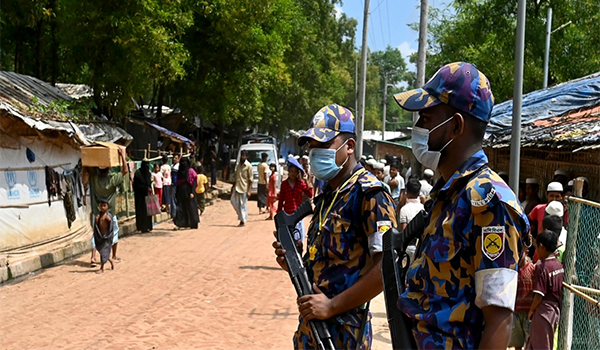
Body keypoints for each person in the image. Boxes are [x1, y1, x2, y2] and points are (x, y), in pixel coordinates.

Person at [393, 62, 530, 349]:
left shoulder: (490, 204)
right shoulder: (449, 194)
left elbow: (498, 321)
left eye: (426, 119)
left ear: (455, 126)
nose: (418, 128)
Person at [272, 104, 397, 349]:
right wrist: (294, 263)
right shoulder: (327, 194)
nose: (313, 152)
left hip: (345, 332)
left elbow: (386, 269)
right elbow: (330, 265)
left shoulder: (370, 193)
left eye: (322, 145)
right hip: (311, 328)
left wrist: (332, 306)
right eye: (311, 146)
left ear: (349, 147)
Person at [88, 149, 128, 267]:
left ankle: (93, 257)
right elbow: (125, 170)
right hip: (110, 213)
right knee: (113, 233)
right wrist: (122, 156)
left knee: (97, 234)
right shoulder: (112, 179)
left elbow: (87, 169)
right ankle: (113, 256)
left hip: (97, 213)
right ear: (108, 169)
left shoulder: (94, 179)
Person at [526, 230, 564, 350]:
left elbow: (539, 295)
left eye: (536, 247)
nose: (536, 250)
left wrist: (531, 311)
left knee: (542, 344)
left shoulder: (541, 267)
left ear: (542, 247)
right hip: (554, 309)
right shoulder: (558, 265)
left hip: (543, 310)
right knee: (535, 341)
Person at [277, 157, 313, 246]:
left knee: (299, 240)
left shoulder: (300, 183)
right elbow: (281, 199)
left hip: (298, 215)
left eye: (295, 171)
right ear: (288, 171)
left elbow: (310, 194)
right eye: (291, 171)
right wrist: (279, 213)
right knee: (289, 241)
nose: (293, 173)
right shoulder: (284, 184)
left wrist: (306, 180)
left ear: (298, 173)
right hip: (287, 214)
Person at [508, 248, 535, 350]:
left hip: (529, 311)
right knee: (517, 342)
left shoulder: (533, 269)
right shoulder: (513, 270)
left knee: (530, 341)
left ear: (526, 253)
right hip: (516, 311)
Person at [174, 157, 199, 229]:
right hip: (181, 193)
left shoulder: (191, 171)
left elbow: (194, 182)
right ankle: (182, 223)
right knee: (181, 207)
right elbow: (178, 182)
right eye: (182, 162)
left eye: (185, 162)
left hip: (189, 192)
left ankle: (193, 223)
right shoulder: (179, 171)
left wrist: (192, 192)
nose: (183, 164)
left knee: (191, 207)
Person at [231, 150, 253, 227]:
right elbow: (236, 176)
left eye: (244, 155)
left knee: (243, 205)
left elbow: (251, 180)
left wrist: (249, 190)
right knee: (233, 201)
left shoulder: (248, 166)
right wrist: (233, 186)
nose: (242, 157)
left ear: (246, 157)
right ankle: (240, 215)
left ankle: (242, 220)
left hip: (244, 188)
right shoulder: (238, 165)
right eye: (242, 155)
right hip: (237, 187)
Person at [94, 198, 115, 273]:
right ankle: (111, 261)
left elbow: (111, 226)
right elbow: (96, 226)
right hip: (101, 237)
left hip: (107, 237)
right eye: (101, 206)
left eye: (104, 205)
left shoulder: (108, 216)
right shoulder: (98, 216)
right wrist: (96, 221)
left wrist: (109, 221)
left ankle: (102, 268)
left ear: (107, 206)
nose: (102, 207)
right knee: (103, 252)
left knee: (103, 252)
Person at [133, 159, 153, 233]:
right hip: (140, 197)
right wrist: (145, 188)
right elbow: (136, 185)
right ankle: (141, 227)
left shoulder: (148, 173)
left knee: (148, 211)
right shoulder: (138, 173)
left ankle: (148, 226)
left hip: (147, 195)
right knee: (141, 211)